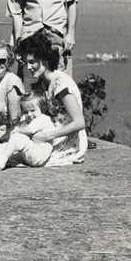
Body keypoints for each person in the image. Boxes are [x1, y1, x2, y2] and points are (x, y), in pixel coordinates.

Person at [14, 31, 87, 166]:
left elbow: (79, 123)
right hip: (50, 134)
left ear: (44, 58)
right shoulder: (44, 82)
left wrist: (47, 136)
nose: (28, 67)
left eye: (32, 62)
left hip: (65, 142)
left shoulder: (61, 84)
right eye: (26, 63)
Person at [0, 90, 55, 169]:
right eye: (26, 111)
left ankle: (1, 161)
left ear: (42, 109)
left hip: (39, 154)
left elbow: (29, 130)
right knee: (4, 146)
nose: (29, 114)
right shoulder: (26, 120)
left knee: (17, 137)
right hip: (28, 153)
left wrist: (16, 130)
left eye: (32, 110)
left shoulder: (43, 118)